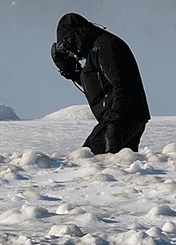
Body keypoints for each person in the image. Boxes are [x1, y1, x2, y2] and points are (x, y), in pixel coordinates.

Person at [50, 12, 151, 154]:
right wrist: (68, 68)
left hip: (122, 119)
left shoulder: (105, 47)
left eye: (67, 42)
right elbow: (97, 86)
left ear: (75, 36)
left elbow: (121, 84)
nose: (70, 50)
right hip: (122, 119)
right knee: (109, 165)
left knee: (89, 160)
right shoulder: (97, 49)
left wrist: (113, 121)